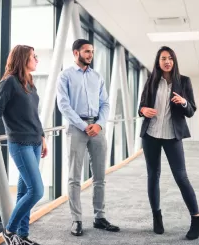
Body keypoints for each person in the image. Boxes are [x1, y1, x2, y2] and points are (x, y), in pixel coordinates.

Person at [0, 44, 47, 245]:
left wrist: (43, 137)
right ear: (23, 59)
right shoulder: (9, 82)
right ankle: (10, 230)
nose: (37, 59)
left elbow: (34, 116)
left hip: (35, 142)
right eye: (33, 56)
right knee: (37, 191)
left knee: (24, 191)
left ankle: (22, 236)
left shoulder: (30, 83)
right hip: (20, 144)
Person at [137, 46, 199, 240]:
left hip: (173, 136)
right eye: (163, 58)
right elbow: (141, 107)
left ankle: (196, 218)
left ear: (174, 61)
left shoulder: (183, 81)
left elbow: (191, 110)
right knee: (153, 176)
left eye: (170, 58)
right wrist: (143, 111)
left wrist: (183, 102)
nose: (167, 61)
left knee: (181, 177)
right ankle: (157, 216)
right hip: (151, 135)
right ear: (158, 61)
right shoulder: (151, 81)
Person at [56, 39, 119, 236]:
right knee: (74, 177)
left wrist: (99, 124)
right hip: (77, 128)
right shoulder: (65, 76)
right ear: (76, 53)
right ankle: (76, 220)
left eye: (91, 51)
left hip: (97, 128)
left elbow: (105, 104)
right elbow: (64, 106)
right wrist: (84, 126)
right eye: (86, 51)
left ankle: (100, 217)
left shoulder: (97, 77)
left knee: (100, 176)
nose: (90, 55)